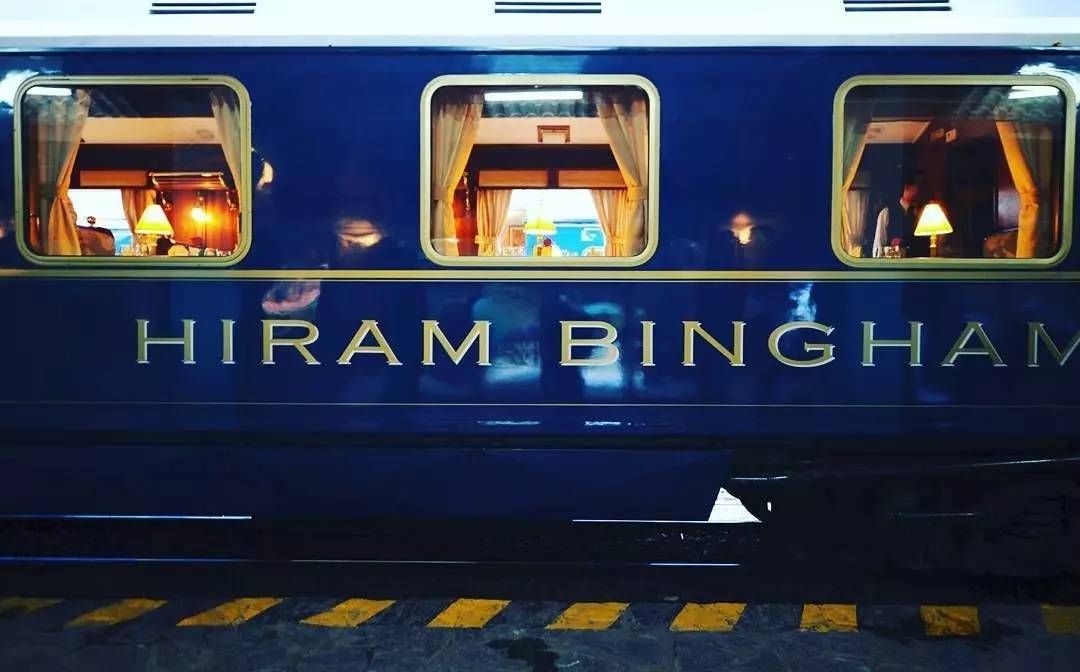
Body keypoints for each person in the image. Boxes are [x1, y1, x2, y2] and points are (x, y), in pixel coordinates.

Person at [871, 174, 929, 258]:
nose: (922, 191)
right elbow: (878, 246)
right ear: (907, 187)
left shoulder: (924, 213)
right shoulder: (886, 213)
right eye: (920, 186)